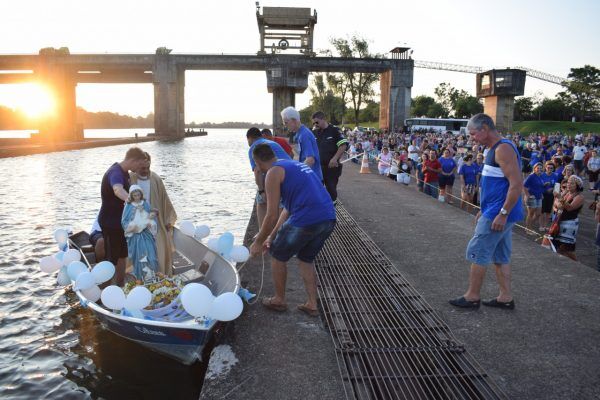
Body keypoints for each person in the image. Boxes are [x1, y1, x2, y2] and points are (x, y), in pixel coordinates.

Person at [249, 143, 336, 317]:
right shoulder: (293, 164)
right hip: (328, 218)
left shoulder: (272, 173)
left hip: (307, 219)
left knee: (277, 255)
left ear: (257, 163)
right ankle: (312, 304)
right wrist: (271, 236)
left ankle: (279, 300)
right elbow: (287, 209)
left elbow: (271, 214)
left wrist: (258, 242)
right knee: (306, 258)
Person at [449, 114, 524, 310]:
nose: (471, 138)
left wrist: (502, 213)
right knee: (501, 256)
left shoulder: (503, 149)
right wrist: (485, 210)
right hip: (493, 210)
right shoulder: (495, 148)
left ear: (484, 128)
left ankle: (472, 296)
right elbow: (498, 184)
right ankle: (505, 297)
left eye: (473, 133)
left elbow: (516, 185)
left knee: (478, 251)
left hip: (499, 213)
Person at [98, 147, 148, 286]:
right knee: (111, 258)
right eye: (139, 164)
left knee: (123, 255)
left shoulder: (125, 172)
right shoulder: (115, 172)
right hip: (110, 223)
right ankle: (105, 289)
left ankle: (120, 285)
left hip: (121, 223)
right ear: (133, 160)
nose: (139, 168)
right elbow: (117, 189)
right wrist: (132, 202)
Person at [130, 152, 178, 276]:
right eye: (142, 168)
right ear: (137, 166)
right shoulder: (131, 179)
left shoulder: (156, 179)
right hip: (136, 223)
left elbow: (165, 199)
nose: (145, 170)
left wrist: (168, 219)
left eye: (148, 167)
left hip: (155, 222)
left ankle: (160, 276)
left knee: (159, 249)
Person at [247, 127, 291, 228]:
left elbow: (257, 171)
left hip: (277, 176)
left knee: (261, 201)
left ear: (249, 138)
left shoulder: (254, 147)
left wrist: (261, 191)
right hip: (289, 174)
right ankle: (277, 232)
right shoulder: (272, 143)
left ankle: (263, 232)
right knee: (281, 205)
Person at [122, 185, 159, 280]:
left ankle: (152, 277)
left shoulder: (145, 203)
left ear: (141, 194)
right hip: (135, 236)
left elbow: (151, 216)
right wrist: (132, 227)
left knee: (152, 257)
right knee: (140, 259)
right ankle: (141, 278)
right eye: (134, 195)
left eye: (138, 195)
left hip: (146, 233)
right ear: (131, 196)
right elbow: (124, 221)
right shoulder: (128, 205)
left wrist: (150, 223)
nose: (137, 197)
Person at [312, 111, 348, 202]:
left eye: (317, 122)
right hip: (318, 168)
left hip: (331, 167)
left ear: (323, 119)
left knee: (331, 190)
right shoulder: (315, 132)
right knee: (316, 191)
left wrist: (335, 158)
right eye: (314, 123)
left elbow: (343, 145)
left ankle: (332, 212)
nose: (315, 124)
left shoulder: (335, 130)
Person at [281, 106, 322, 181]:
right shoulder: (301, 133)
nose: (285, 125)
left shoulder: (304, 135)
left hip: (313, 178)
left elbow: (310, 160)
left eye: (286, 122)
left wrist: (297, 174)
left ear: (293, 120)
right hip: (312, 176)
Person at [552, 175, 585, 261]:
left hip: (570, 223)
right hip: (560, 221)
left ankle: (577, 264)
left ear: (577, 185)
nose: (568, 185)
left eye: (572, 184)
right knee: (558, 246)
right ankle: (562, 263)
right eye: (568, 183)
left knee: (568, 248)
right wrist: (557, 204)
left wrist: (560, 198)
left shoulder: (579, 197)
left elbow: (570, 208)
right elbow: (556, 202)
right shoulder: (566, 193)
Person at [523, 162, 544, 233]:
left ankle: (529, 226)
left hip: (539, 197)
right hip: (532, 198)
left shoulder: (540, 176)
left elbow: (540, 186)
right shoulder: (531, 176)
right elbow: (524, 186)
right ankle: (528, 228)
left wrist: (541, 194)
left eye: (541, 168)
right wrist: (528, 195)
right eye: (538, 168)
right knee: (531, 213)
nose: (539, 169)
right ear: (534, 169)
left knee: (538, 214)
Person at [540, 161, 558, 232]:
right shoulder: (541, 175)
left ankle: (546, 226)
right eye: (548, 168)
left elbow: (556, 186)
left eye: (551, 168)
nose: (550, 169)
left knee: (548, 211)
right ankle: (541, 225)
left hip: (550, 196)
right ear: (545, 168)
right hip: (543, 195)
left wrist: (552, 188)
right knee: (542, 211)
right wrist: (544, 186)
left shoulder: (555, 176)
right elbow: (538, 185)